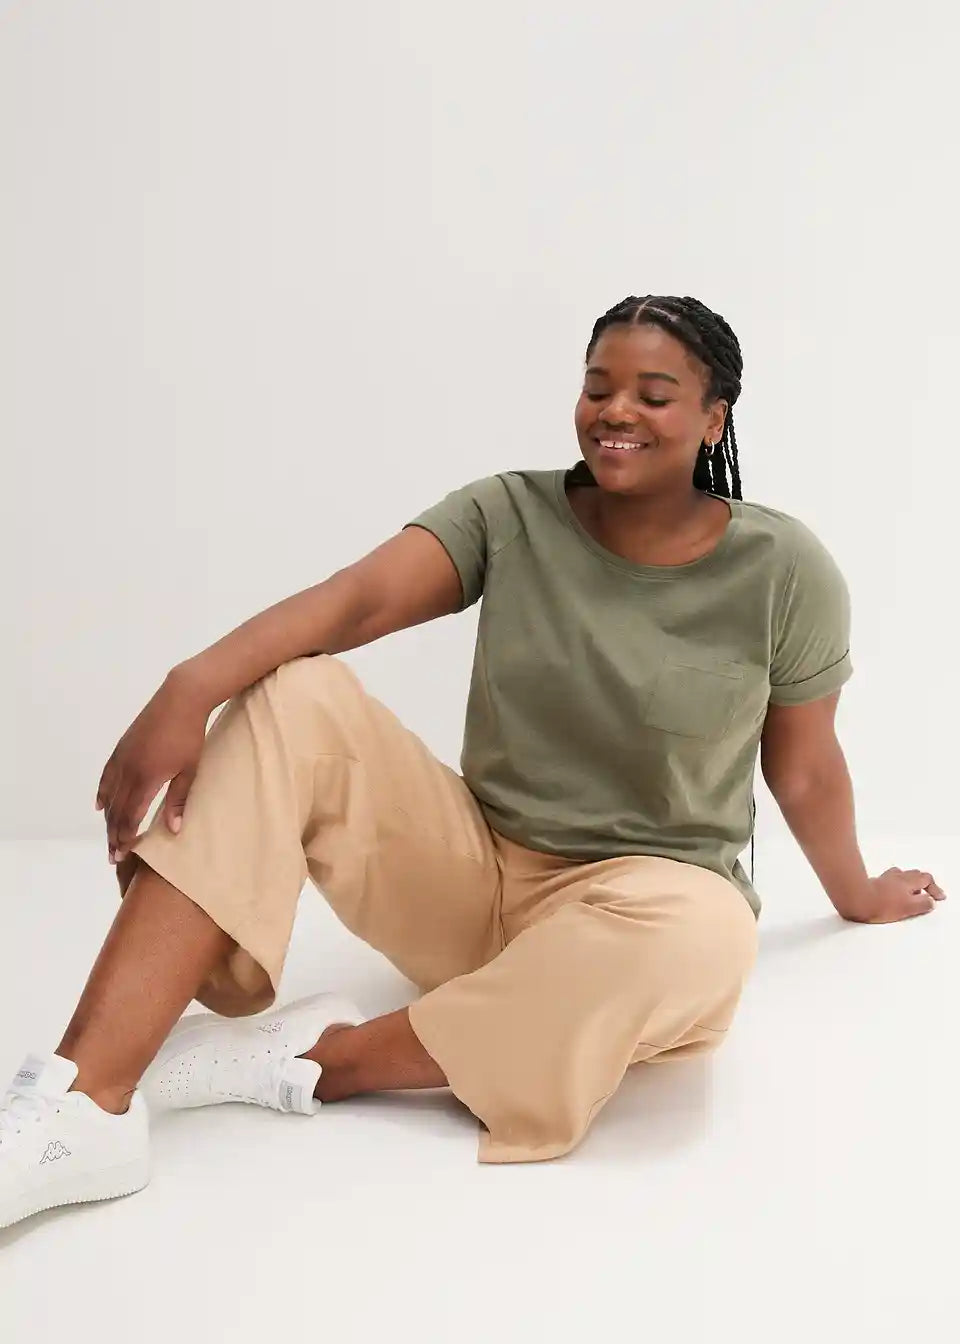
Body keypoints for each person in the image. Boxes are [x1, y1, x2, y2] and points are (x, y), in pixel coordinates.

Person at [1, 294, 945, 1232]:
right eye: (598, 387)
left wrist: (858, 893)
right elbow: (357, 601)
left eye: (654, 395)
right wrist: (189, 687)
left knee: (711, 936)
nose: (615, 411)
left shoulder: (785, 569)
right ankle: (82, 1107)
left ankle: (317, 1060)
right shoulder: (511, 513)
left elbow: (805, 770)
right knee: (296, 693)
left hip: (640, 909)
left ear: (713, 418)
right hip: (471, 878)